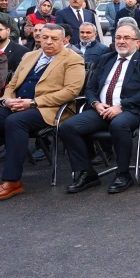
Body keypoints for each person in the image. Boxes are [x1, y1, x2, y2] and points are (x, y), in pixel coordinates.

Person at [59, 24, 140, 194]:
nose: (121, 41)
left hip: (134, 110)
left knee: (118, 124)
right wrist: (95, 104)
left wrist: (121, 107)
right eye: (118, 38)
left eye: (127, 38)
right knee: (68, 127)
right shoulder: (106, 58)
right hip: (102, 110)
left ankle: (123, 174)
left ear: (138, 42)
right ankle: (87, 173)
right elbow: (90, 88)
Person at [0, 24, 85, 200]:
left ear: (65, 40)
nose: (48, 42)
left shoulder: (73, 59)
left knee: (16, 122)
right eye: (45, 37)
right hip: (17, 104)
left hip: (49, 109)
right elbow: (12, 84)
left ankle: (12, 181)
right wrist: (7, 99)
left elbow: (71, 92)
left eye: (54, 39)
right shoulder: (29, 56)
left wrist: (33, 102)